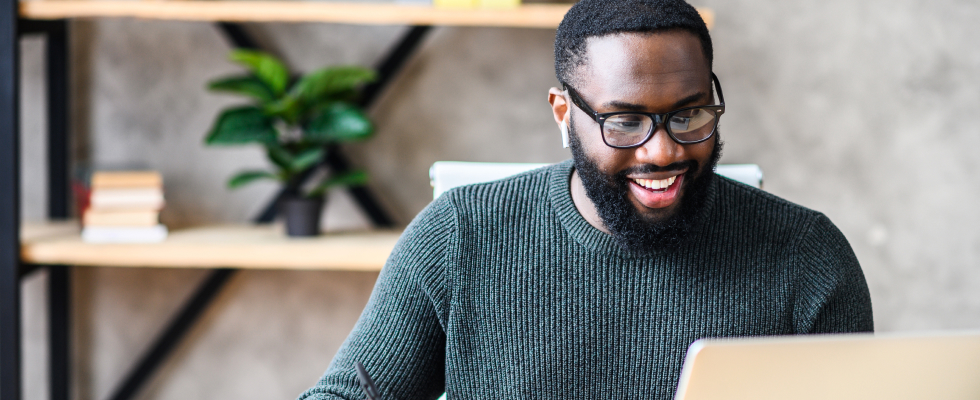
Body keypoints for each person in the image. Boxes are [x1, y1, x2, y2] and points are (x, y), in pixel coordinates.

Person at [298, 0, 873, 399]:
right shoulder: (459, 237)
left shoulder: (806, 256)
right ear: (563, 112)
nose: (662, 151)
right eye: (625, 122)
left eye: (689, 113)